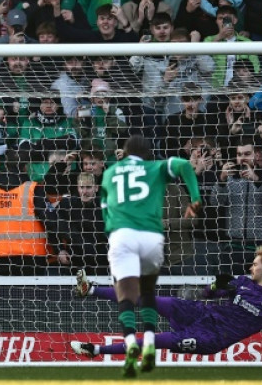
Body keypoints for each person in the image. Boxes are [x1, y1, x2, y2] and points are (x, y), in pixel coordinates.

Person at [71, 245, 262, 362]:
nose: (250, 267)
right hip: (200, 313)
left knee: (153, 340)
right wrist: (215, 287)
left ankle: (96, 350)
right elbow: (208, 294)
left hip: (212, 337)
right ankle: (90, 289)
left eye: (255, 264)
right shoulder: (242, 282)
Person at [96, 135, 202, 376]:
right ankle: (150, 342)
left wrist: (111, 233)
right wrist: (195, 198)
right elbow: (184, 165)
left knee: (125, 293)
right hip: (151, 235)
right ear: (147, 154)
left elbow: (104, 208)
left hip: (122, 234)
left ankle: (130, 342)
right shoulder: (154, 168)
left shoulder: (110, 173)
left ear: (125, 152)